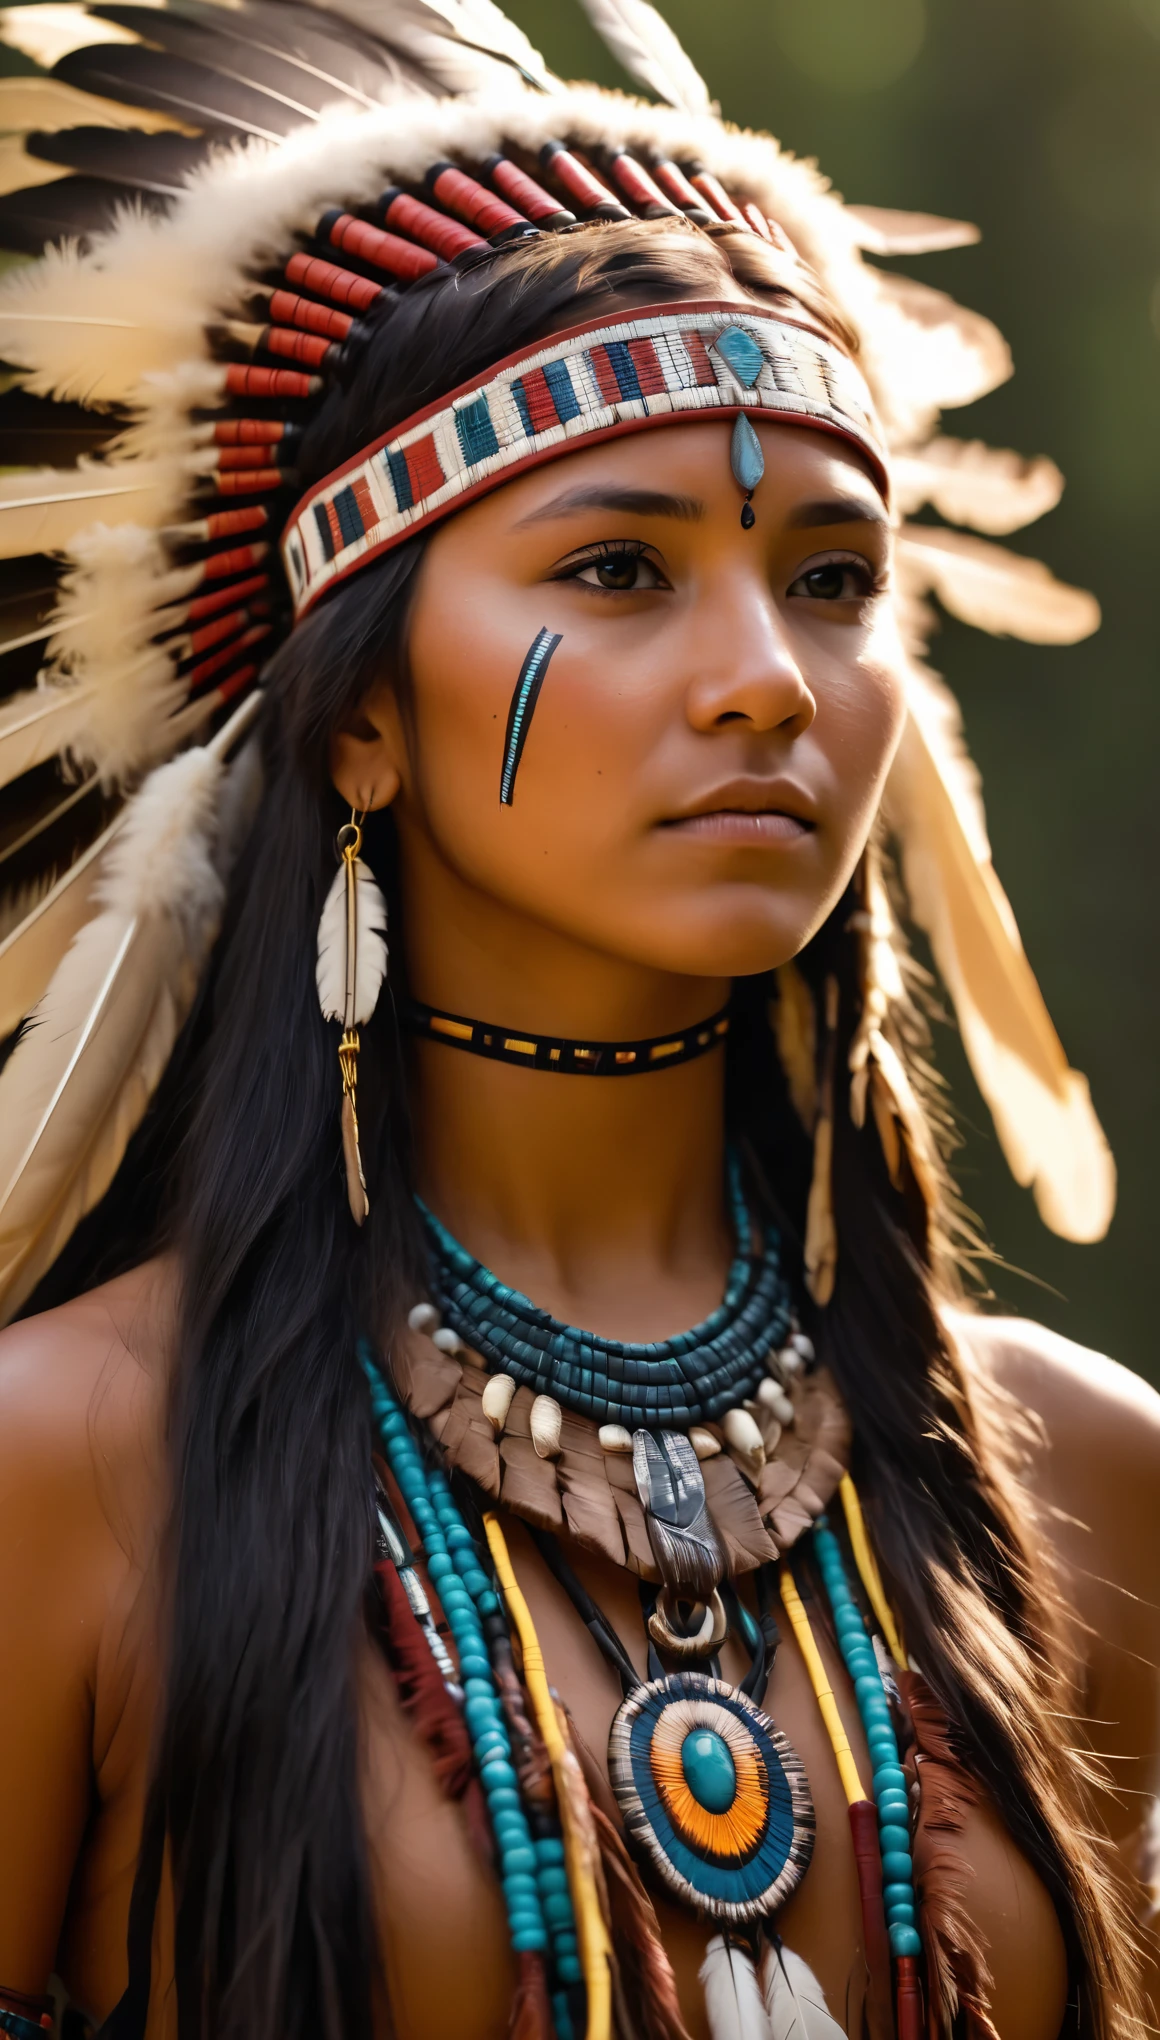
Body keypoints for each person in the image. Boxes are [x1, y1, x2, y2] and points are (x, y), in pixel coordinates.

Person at [0, 4, 1155, 2037]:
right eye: (619, 568)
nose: (767, 682)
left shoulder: (1077, 1479)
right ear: (359, 712)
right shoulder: (69, 1483)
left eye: (831, 575)